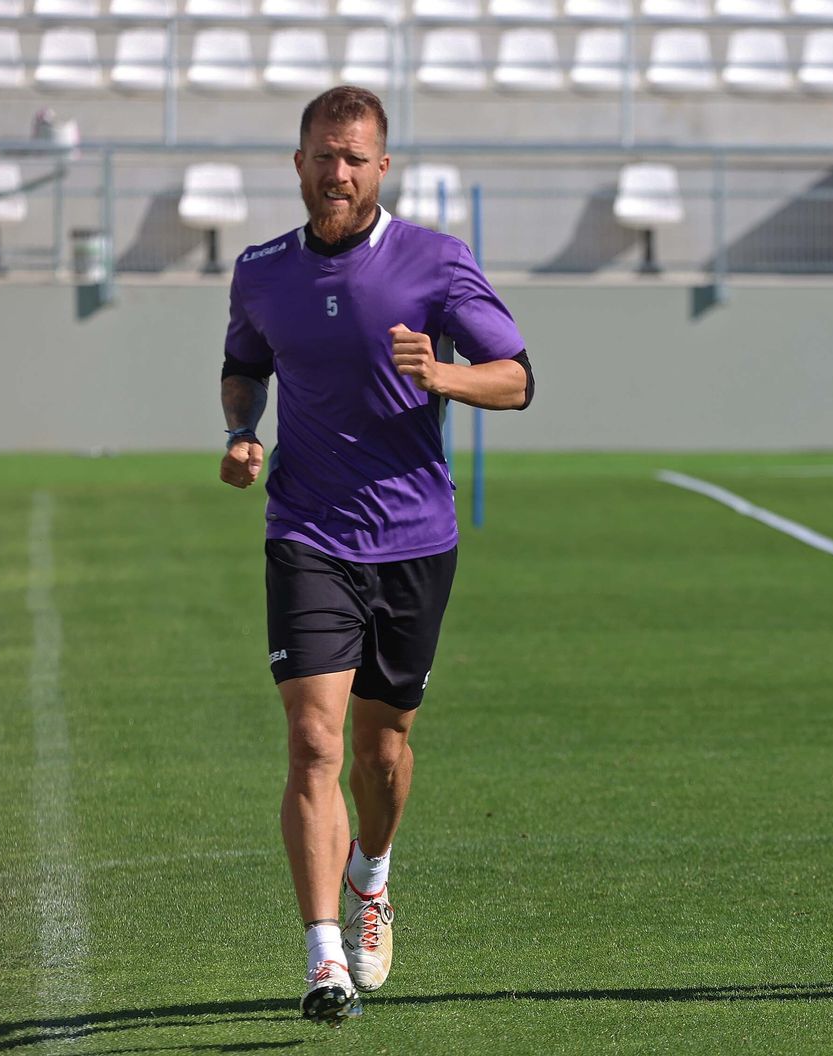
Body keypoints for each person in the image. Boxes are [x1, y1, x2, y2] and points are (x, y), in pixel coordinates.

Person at [219, 85, 534, 1022]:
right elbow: (245, 365)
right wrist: (242, 429)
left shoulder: (437, 261)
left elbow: (518, 379)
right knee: (314, 742)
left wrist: (443, 374)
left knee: (381, 749)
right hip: (306, 532)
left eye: (355, 157)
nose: (338, 172)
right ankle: (323, 959)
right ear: (299, 162)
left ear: (381, 167)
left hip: (414, 540)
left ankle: (373, 874)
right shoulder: (261, 270)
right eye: (323, 154)